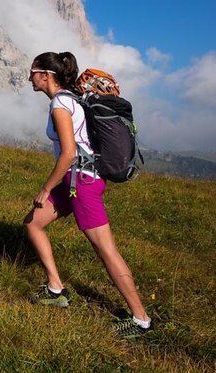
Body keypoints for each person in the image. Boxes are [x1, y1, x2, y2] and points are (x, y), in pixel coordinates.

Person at [23, 51, 152, 338]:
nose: (28, 77)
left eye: (32, 71)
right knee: (33, 223)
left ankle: (140, 318)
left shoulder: (60, 104)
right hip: (76, 181)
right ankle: (56, 289)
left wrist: (45, 188)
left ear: (46, 75)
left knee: (106, 251)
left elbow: (69, 153)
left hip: (82, 184)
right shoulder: (71, 99)